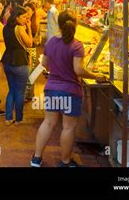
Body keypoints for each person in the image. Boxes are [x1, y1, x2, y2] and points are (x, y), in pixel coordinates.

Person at [31, 11, 107, 168]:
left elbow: (44, 63)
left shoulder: (51, 42)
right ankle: (65, 161)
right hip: (70, 90)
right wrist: (95, 75)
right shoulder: (77, 45)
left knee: (48, 123)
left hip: (52, 88)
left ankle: (36, 159)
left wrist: (57, 67)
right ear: (76, 24)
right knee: (68, 127)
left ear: (59, 24)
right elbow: (78, 70)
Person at [2, 6, 33, 126]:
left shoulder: (5, 28)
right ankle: (19, 119)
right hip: (20, 62)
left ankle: (8, 118)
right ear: (17, 17)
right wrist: (29, 28)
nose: (26, 19)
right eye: (24, 17)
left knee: (11, 91)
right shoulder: (19, 28)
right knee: (20, 92)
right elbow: (29, 43)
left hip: (7, 61)